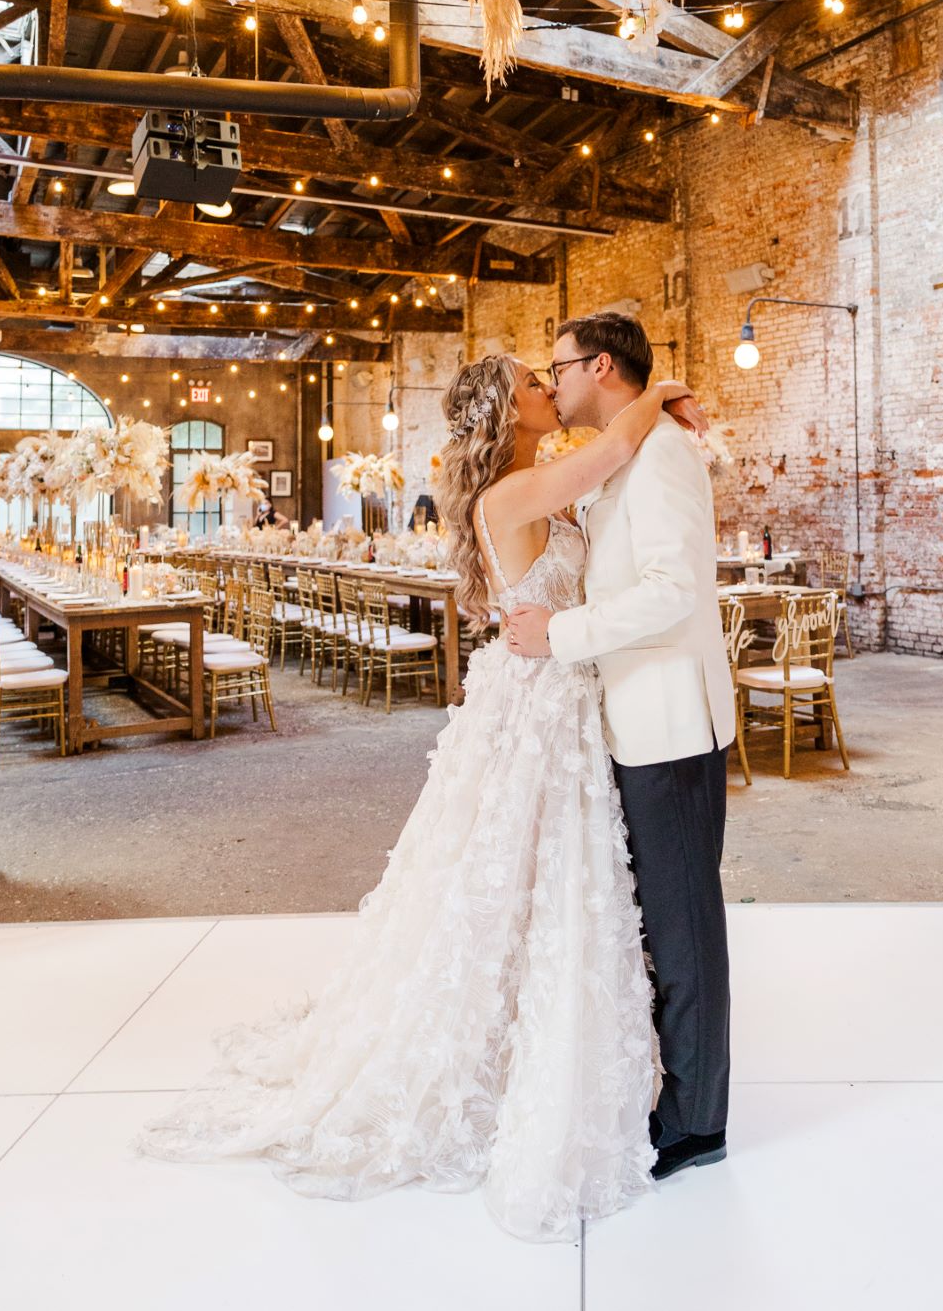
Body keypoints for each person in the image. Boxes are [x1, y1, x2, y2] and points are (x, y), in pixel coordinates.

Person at [134, 352, 705, 1242]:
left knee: (541, 877)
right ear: (503, 411)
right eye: (531, 383)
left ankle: (537, 1037)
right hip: (538, 702)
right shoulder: (508, 497)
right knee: (510, 871)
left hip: (563, 694)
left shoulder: (533, 483)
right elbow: (612, 447)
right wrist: (661, 394)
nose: (547, 389)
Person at [507, 312, 736, 1183]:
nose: (553, 381)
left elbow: (676, 590)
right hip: (636, 721)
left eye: (557, 367)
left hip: (671, 727)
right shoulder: (629, 450)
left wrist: (562, 632)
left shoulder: (665, 455)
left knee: (685, 932)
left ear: (599, 365)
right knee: (662, 926)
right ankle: (678, 1091)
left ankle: (696, 1119)